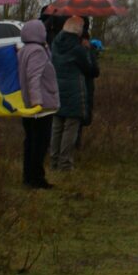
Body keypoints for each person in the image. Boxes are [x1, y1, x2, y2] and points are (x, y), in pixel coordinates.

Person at [18, 20, 59, 189]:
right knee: (40, 144)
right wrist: (37, 102)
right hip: (40, 107)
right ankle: (36, 178)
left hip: (27, 106)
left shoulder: (25, 50)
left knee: (30, 142)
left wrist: (46, 48)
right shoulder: (37, 51)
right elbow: (33, 76)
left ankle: (29, 176)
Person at [51, 16, 95, 171]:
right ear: (78, 30)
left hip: (57, 89)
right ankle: (65, 163)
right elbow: (92, 70)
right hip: (74, 91)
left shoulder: (56, 44)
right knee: (70, 128)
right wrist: (88, 50)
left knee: (57, 127)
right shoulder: (78, 49)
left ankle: (54, 161)